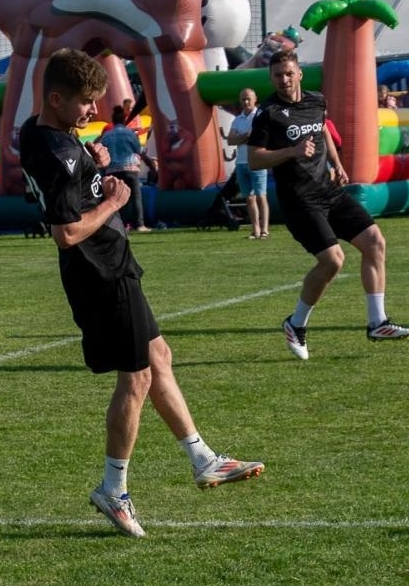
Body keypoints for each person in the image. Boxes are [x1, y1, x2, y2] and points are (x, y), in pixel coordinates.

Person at [19, 48, 263, 537]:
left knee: (160, 356)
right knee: (136, 380)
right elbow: (65, 232)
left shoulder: (47, 133)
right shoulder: (57, 152)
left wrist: (93, 162)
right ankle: (114, 489)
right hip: (99, 272)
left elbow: (62, 163)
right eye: (86, 102)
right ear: (54, 98)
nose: (93, 111)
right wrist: (110, 200)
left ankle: (202, 459)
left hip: (114, 264)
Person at [247, 48, 409, 359]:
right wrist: (292, 152)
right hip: (299, 200)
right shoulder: (267, 114)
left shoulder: (317, 101)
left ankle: (377, 322)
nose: (283, 80)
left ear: (299, 74)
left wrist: (336, 164)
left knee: (375, 242)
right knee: (333, 261)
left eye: (288, 73)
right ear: (271, 79)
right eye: (277, 75)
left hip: (329, 191)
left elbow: (322, 130)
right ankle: (296, 324)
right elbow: (255, 159)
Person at [224, 88, 270, 239]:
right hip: (241, 162)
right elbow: (230, 140)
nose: (246, 102)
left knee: (261, 196)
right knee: (249, 198)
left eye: (248, 99)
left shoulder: (260, 116)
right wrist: (246, 136)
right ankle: (255, 230)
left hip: (257, 160)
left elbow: (260, 138)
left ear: (255, 99)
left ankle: (264, 230)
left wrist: (241, 138)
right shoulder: (238, 119)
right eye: (243, 99)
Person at [98, 105, 149, 232]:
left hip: (113, 170)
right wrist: (149, 162)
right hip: (129, 167)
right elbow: (138, 149)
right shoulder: (129, 134)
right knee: (136, 197)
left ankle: (120, 224)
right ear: (124, 120)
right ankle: (139, 224)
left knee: (116, 199)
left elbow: (100, 150)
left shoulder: (107, 135)